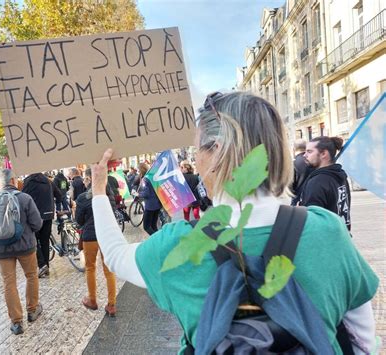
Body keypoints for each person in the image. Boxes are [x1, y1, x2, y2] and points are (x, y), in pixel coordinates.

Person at [89, 92, 378, 354]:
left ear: (216, 152)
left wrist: (99, 188)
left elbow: (114, 255)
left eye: (196, 149)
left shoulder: (178, 245)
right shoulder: (327, 231)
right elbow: (363, 341)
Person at [0, 169, 43, 335]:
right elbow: (37, 224)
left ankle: (16, 322)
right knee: (31, 275)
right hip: (25, 246)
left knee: (9, 283)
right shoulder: (24, 198)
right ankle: (32, 310)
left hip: (2, 249)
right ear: (14, 180)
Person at [75, 168, 117, 316]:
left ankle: (92, 299)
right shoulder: (109, 194)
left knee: (90, 268)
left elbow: (79, 220)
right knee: (109, 269)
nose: (85, 182)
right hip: (106, 236)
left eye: (86, 179)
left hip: (90, 237)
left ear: (90, 179)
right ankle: (111, 304)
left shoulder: (83, 197)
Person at [300, 136, 351, 230]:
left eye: (309, 151)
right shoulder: (340, 176)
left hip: (325, 241)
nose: (304, 155)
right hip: (342, 237)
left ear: (324, 154)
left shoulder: (317, 182)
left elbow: (313, 221)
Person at [22, 173, 61, 278]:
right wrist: (56, 206)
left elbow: (23, 198)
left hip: (35, 216)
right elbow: (59, 195)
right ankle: (46, 267)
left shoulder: (28, 182)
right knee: (45, 241)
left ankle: (42, 265)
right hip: (48, 215)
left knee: (33, 241)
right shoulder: (48, 181)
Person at [137, 162, 162, 236]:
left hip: (150, 206)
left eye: (138, 170)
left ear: (141, 170)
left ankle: (157, 239)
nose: (138, 172)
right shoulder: (152, 177)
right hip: (157, 204)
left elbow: (146, 193)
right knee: (154, 225)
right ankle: (159, 238)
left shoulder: (145, 179)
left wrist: (138, 194)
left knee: (146, 227)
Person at [291, 139, 314, 206]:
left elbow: (290, 186)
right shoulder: (313, 160)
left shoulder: (293, 163)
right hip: (313, 197)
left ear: (294, 149)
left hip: (298, 199)